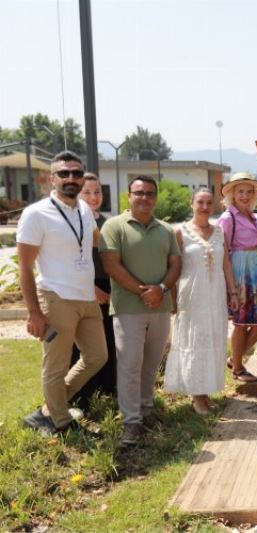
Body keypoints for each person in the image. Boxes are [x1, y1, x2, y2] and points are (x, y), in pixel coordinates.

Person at [17, 151, 108, 435]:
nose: (71, 178)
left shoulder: (83, 210)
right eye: (64, 173)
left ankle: (48, 410)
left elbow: (96, 244)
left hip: (86, 299)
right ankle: (61, 423)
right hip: (56, 299)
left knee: (96, 357)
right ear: (52, 179)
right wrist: (34, 312)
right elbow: (25, 268)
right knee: (55, 366)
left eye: (76, 173)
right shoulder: (36, 213)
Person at [100, 175, 181, 445]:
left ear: (155, 198)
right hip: (128, 309)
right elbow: (112, 265)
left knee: (151, 364)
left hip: (161, 307)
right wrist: (145, 292)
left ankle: (146, 411)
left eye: (149, 193)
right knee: (130, 365)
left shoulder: (166, 230)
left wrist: (162, 290)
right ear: (129, 196)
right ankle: (131, 421)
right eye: (138, 193)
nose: (144, 197)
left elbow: (175, 266)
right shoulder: (114, 226)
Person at [164, 188, 238, 415]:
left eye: (209, 202)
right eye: (200, 202)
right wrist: (172, 298)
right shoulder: (180, 232)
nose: (205, 207)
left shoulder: (219, 233)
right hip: (192, 295)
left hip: (214, 295)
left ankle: (206, 392)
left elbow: (226, 264)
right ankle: (196, 396)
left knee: (213, 340)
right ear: (191, 203)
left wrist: (232, 292)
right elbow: (174, 268)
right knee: (194, 342)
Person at [69, 172, 117, 410]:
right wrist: (92, 288)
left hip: (108, 288)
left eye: (97, 191)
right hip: (84, 287)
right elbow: (71, 259)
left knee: (108, 341)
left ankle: (107, 391)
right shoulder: (73, 220)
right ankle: (80, 399)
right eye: (87, 192)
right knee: (83, 347)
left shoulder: (106, 221)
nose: (93, 196)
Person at [217, 172, 257, 383]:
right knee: (241, 322)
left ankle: (234, 358)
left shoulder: (252, 216)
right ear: (232, 194)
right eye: (240, 191)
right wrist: (230, 287)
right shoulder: (228, 218)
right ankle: (238, 368)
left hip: (256, 268)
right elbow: (223, 252)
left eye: (249, 192)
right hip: (239, 271)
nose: (245, 196)